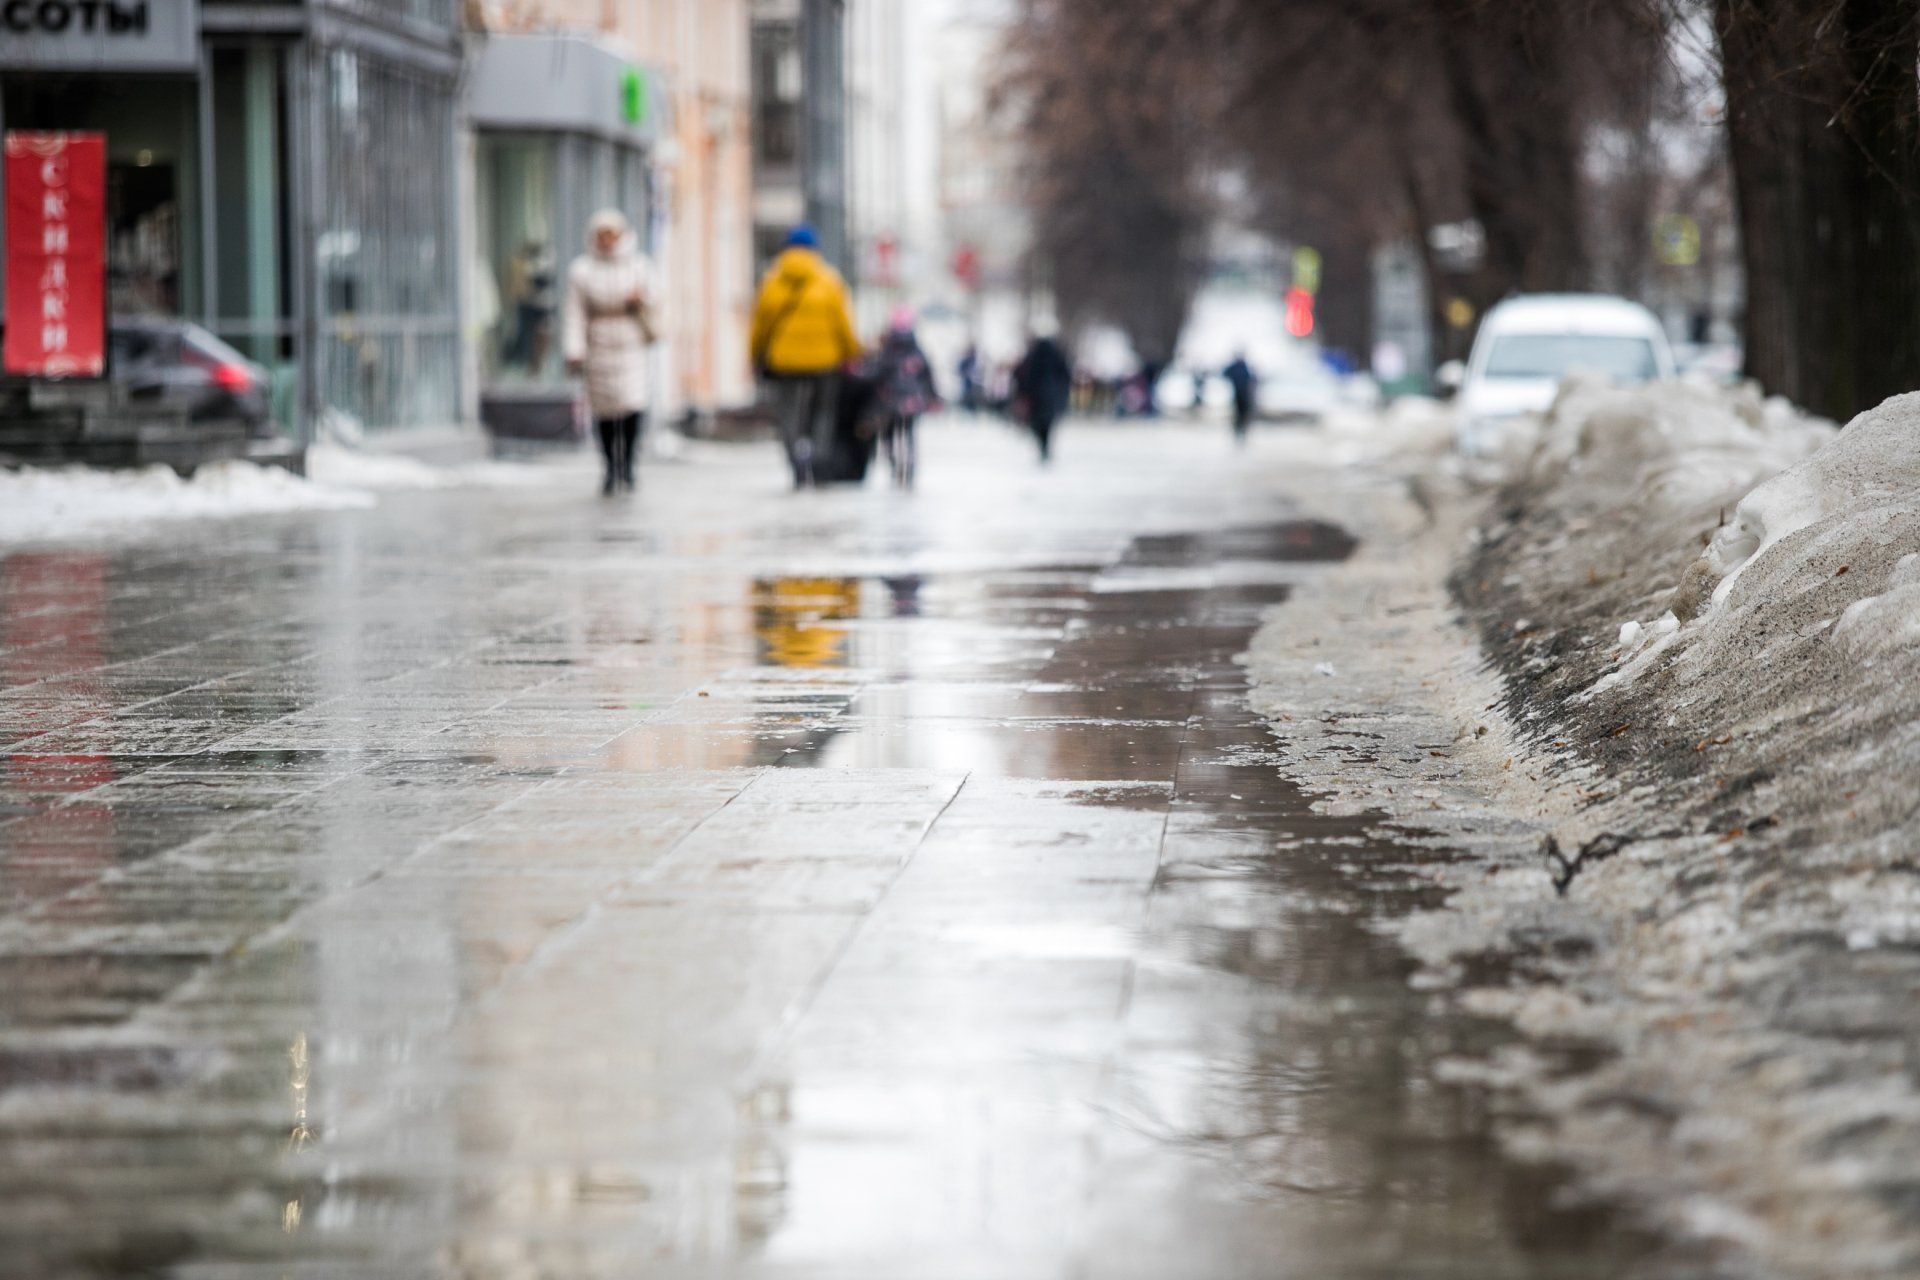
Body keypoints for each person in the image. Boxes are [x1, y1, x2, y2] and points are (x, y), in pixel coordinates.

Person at [751, 224, 860, 488]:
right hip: (825, 361)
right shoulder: (829, 280)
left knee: (788, 414)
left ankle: (795, 464)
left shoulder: (772, 280)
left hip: (784, 361)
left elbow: (760, 326)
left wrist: (755, 356)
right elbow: (843, 324)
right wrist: (852, 353)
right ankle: (818, 461)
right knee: (823, 413)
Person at [563, 210, 655, 495]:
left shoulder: (639, 266)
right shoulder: (582, 270)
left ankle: (627, 464)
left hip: (630, 344)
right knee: (603, 410)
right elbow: (574, 313)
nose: (607, 241)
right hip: (598, 345)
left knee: (631, 405)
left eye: (611, 235)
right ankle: (609, 467)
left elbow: (658, 299)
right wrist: (574, 349)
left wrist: (641, 300)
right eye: (601, 235)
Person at [872, 306, 940, 487]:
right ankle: (908, 463)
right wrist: (933, 397)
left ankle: (894, 463)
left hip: (890, 400)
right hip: (913, 401)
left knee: (889, 434)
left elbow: (876, 373)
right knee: (909, 434)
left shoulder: (887, 351)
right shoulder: (917, 350)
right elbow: (928, 375)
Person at [1012, 327, 1073, 463]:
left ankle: (1043, 447)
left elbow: (1022, 377)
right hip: (1052, 398)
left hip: (1036, 399)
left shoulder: (1032, 357)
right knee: (1048, 425)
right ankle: (1045, 447)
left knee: (1037, 425)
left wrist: (1022, 393)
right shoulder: (1057, 356)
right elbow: (1066, 376)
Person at [1223, 352, 1258, 442]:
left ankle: (1241, 432)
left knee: (1243, 414)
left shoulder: (1244, 367)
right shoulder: (1239, 367)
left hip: (1245, 395)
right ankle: (1238, 432)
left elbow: (1252, 380)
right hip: (1239, 395)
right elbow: (1225, 373)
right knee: (1239, 415)